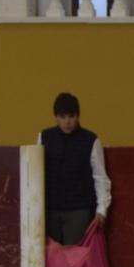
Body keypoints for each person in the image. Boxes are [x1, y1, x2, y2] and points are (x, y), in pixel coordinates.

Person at [39, 92, 111, 247]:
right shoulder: (43, 137)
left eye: (71, 117)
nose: (67, 122)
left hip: (78, 211)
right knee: (50, 260)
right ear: (56, 117)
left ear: (78, 116)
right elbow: (35, 174)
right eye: (63, 117)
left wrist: (101, 209)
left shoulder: (90, 140)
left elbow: (100, 177)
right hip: (49, 210)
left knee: (74, 259)